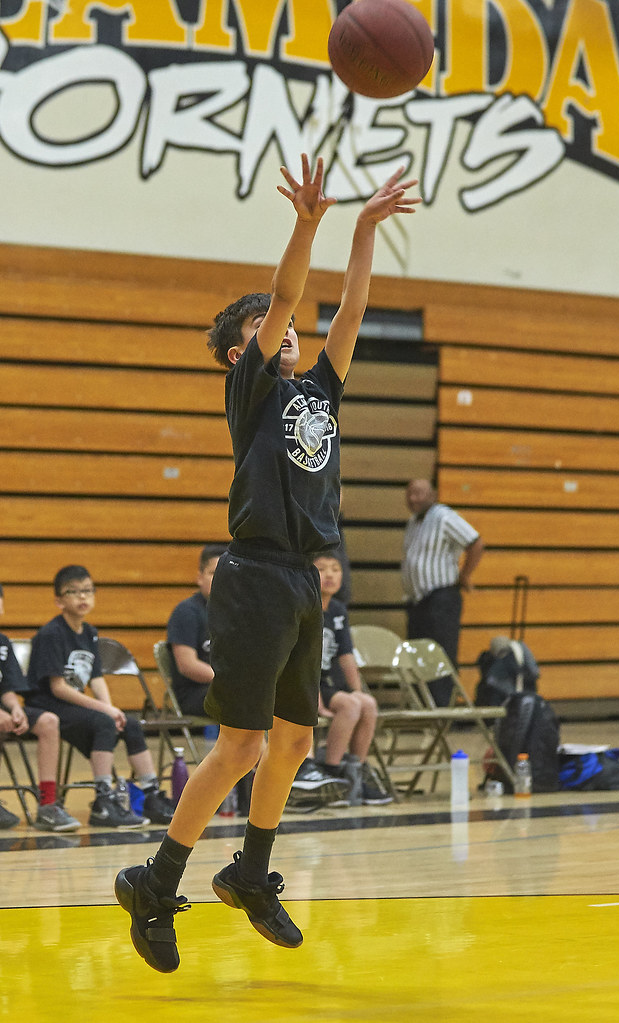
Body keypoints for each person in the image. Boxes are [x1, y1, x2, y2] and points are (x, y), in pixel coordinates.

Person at [114, 153, 421, 974]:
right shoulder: (250, 393)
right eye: (261, 325)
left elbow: (345, 307)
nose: (282, 326)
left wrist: (362, 230)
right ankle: (157, 878)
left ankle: (248, 871)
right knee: (242, 745)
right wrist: (309, 220)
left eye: (283, 325)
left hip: (302, 579)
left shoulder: (320, 387)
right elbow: (284, 293)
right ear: (235, 354)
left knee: (291, 740)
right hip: (251, 574)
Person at [24, 565, 176, 829]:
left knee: (128, 722)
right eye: (73, 592)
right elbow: (58, 687)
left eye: (87, 591)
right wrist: (105, 711)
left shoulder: (90, 633)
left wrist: (110, 708)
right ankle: (104, 801)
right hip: (48, 705)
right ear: (59, 601)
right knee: (104, 721)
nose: (82, 597)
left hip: (73, 705)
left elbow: (95, 679)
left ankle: (151, 793)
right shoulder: (51, 634)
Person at [0, 584, 81, 832]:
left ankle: (47, 805)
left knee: (48, 721)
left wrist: (15, 708)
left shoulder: (2, 642)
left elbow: (9, 687)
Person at [314, 552, 391, 806]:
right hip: (302, 682)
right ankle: (333, 771)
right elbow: (298, 661)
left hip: (324, 682)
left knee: (365, 702)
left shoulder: (337, 610)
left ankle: (356, 771)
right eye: (322, 568)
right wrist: (314, 700)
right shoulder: (306, 607)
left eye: (335, 569)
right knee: (350, 706)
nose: (329, 574)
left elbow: (346, 656)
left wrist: (357, 690)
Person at [401, 479, 484, 707]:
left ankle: (443, 709)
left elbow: (475, 542)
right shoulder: (413, 522)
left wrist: (464, 576)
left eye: (419, 493)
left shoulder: (443, 516)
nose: (413, 498)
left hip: (441, 597)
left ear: (433, 495)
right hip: (418, 601)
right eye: (409, 494)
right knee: (418, 655)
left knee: (441, 655)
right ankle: (423, 707)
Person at [167, 544, 228, 717]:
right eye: (214, 573)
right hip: (196, 693)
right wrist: (230, 682)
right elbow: (187, 666)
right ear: (200, 577)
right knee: (244, 701)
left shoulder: (238, 612)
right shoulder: (186, 612)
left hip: (233, 689)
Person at [475, 635, 540, 706]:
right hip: (518, 697)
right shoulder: (494, 672)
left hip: (519, 696)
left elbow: (535, 673)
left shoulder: (520, 650)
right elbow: (535, 672)